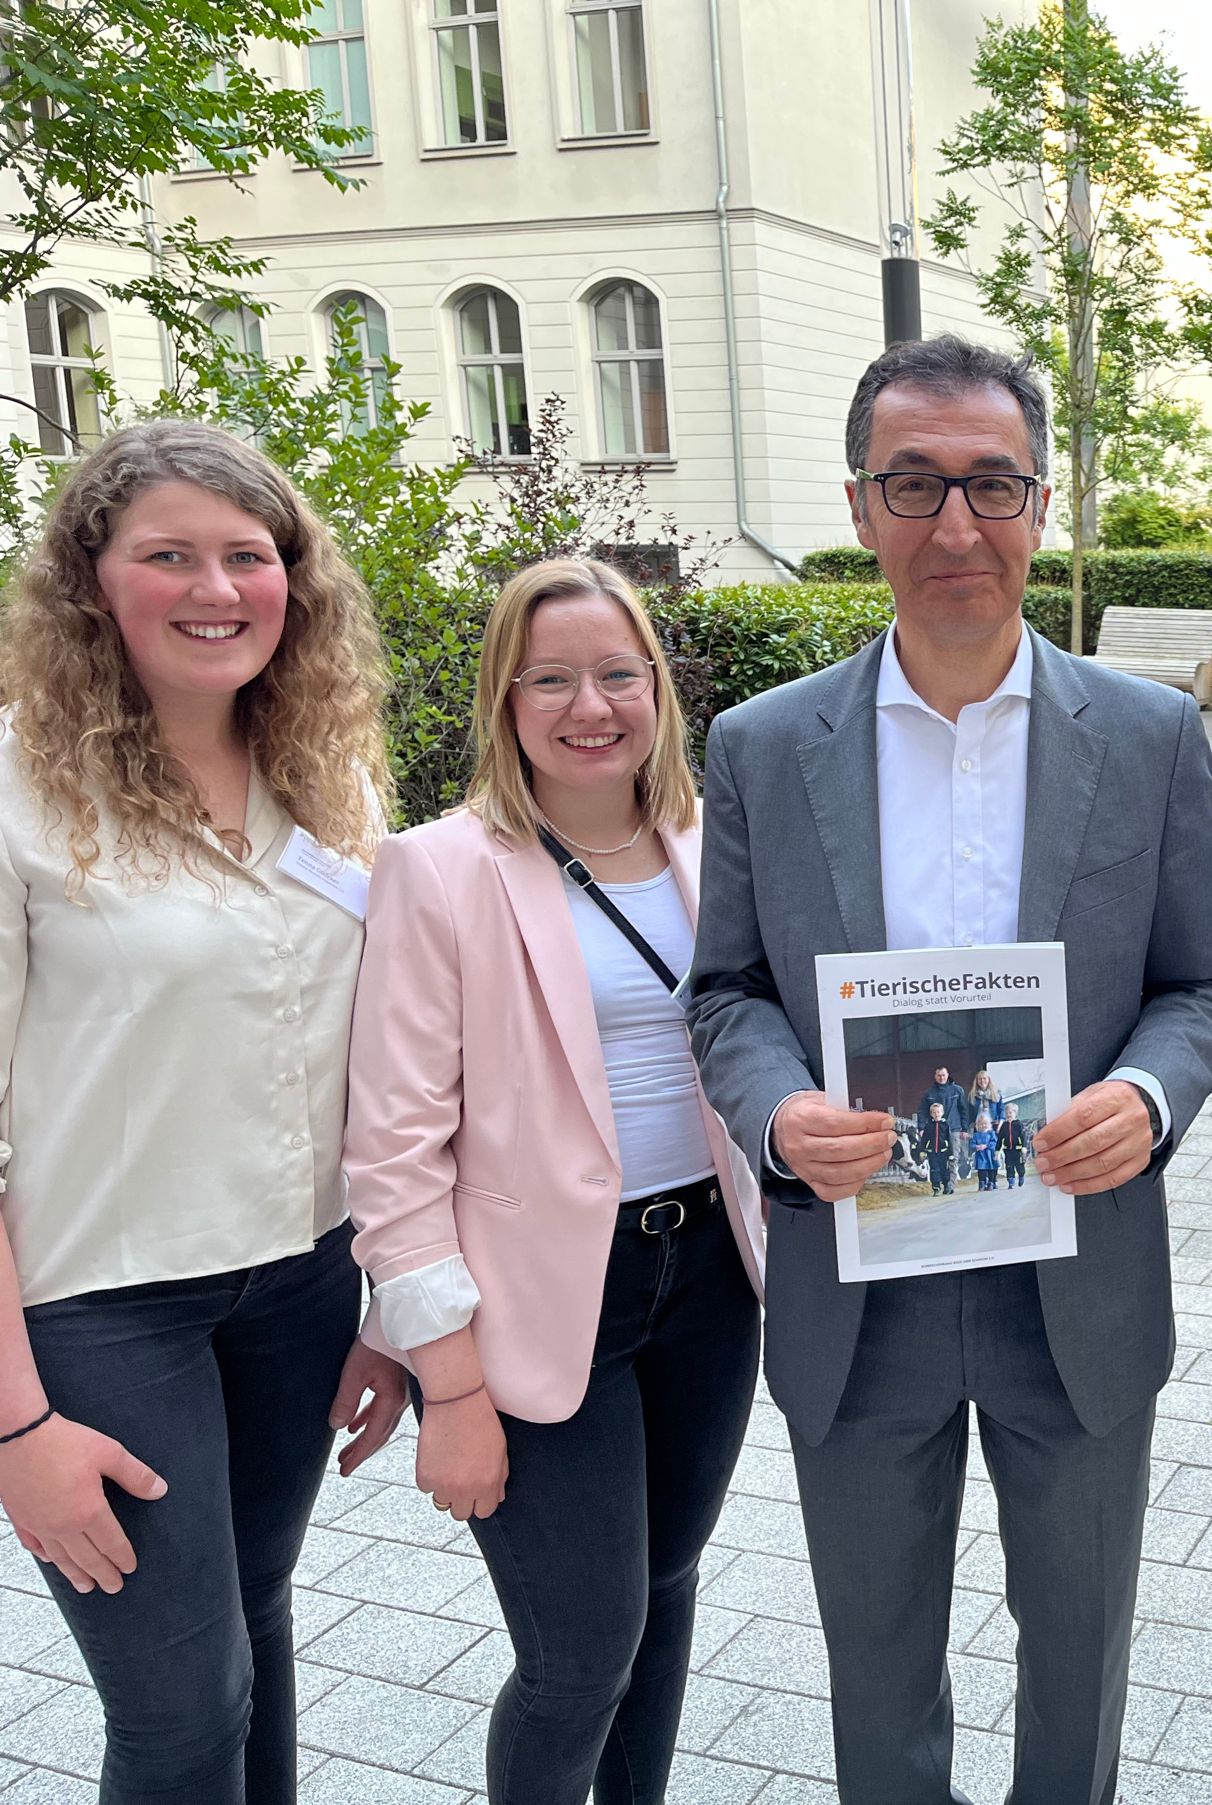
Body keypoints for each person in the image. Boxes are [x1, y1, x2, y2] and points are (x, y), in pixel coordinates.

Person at [687, 334, 1212, 1805]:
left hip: (1074, 1280)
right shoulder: (759, 747)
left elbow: (1203, 981)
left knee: (1080, 1668)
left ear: (1041, 504)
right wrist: (774, 1109)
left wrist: (1147, 1095)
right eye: (914, 485)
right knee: (876, 1679)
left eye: (990, 484)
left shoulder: (1148, 737)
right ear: (861, 507)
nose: (955, 524)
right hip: (857, 1287)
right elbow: (727, 994)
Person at [0, 419, 406, 1804]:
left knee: (258, 1635)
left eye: (249, 555)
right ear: (91, 581)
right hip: (104, 1310)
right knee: (183, 1714)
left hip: (299, 1287)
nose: (215, 589)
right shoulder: (14, 789)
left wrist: (388, 1305)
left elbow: (379, 1072)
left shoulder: (330, 781)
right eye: (167, 555)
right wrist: (14, 1428)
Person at [343, 558, 764, 1805]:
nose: (592, 704)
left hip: (705, 1279)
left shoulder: (711, 844)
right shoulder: (438, 867)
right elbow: (391, 1147)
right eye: (552, 679)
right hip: (528, 1300)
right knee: (579, 1650)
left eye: (618, 673)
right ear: (504, 698)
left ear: (656, 688)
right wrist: (450, 1383)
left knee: (665, 1591)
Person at [920, 1064, 971, 1180]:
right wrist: (921, 1127)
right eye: (939, 1075)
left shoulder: (957, 1090)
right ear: (935, 1076)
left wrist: (964, 1128)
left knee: (953, 1157)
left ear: (947, 1075)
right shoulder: (929, 1093)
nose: (941, 1078)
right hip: (935, 1130)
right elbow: (922, 1111)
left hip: (953, 1128)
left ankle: (950, 1183)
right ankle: (941, 1181)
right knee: (938, 1158)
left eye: (943, 1075)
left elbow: (963, 1110)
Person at [922, 1102, 956, 1196]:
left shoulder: (945, 1125)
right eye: (934, 1112)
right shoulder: (928, 1126)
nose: (936, 1114)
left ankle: (946, 1186)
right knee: (934, 1170)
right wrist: (922, 1150)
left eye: (938, 1112)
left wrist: (950, 1153)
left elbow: (949, 1140)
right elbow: (924, 1139)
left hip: (943, 1152)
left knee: (944, 1170)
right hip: (932, 1153)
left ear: (942, 1113)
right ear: (931, 1114)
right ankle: (936, 1187)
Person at [998, 1102, 1031, 1188]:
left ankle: (1021, 1176)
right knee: (1009, 1166)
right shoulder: (1004, 1126)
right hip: (1008, 1150)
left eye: (1010, 1112)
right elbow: (1000, 1138)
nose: (1008, 1114)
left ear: (1015, 1113)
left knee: (1019, 1166)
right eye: (1006, 1113)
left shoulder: (1018, 1124)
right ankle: (1011, 1182)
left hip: (1018, 1150)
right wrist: (997, 1150)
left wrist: (1024, 1147)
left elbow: (1023, 1136)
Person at [971, 1111, 1000, 1191]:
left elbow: (994, 1142)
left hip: (990, 1154)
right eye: (981, 1124)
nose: (983, 1125)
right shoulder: (976, 1135)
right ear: (977, 1125)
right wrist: (977, 1147)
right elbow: (972, 1145)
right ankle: (982, 1183)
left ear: (989, 1124)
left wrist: (986, 1146)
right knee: (981, 1169)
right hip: (981, 1155)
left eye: (985, 1123)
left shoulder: (991, 1133)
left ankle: (991, 1182)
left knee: (991, 1168)